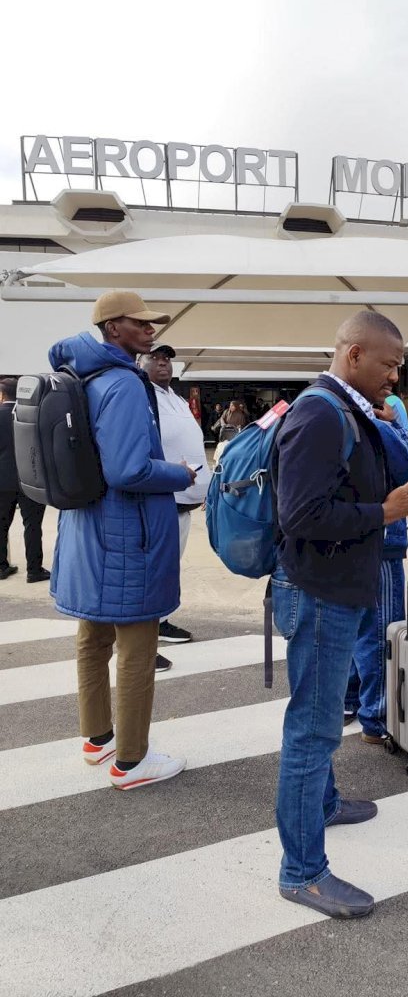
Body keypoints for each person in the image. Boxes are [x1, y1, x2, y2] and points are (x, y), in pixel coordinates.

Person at [271, 310, 408, 918]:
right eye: (389, 364)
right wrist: (382, 513)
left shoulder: (351, 410)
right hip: (317, 592)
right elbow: (301, 517)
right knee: (311, 730)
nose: (395, 374)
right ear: (354, 354)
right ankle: (302, 872)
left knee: (322, 716)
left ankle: (325, 804)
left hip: (336, 586)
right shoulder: (318, 413)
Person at [49, 290, 196, 790]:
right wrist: (178, 473)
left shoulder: (78, 376)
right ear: (113, 328)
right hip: (128, 534)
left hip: (88, 527)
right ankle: (132, 761)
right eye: (141, 324)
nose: (152, 331)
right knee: (137, 644)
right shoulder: (124, 385)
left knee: (92, 638)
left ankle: (97, 739)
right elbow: (128, 469)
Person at [344, 397, 408, 741]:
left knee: (350, 627)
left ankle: (349, 699)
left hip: (343, 540)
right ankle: (377, 717)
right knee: (380, 632)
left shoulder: (332, 419)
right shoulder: (377, 426)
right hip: (381, 540)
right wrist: (395, 425)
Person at [140, 344, 211, 658]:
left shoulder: (177, 398)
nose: (162, 363)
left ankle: (161, 620)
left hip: (183, 503)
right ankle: (140, 643)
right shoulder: (142, 396)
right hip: (160, 500)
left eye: (167, 359)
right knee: (152, 570)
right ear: (139, 363)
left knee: (168, 568)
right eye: (154, 358)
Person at [0, 377, 50, 583]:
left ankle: (1, 567)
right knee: (32, 525)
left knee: (1, 525)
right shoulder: (33, 415)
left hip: (2, 482)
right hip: (31, 479)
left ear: (2, 395)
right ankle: (34, 570)